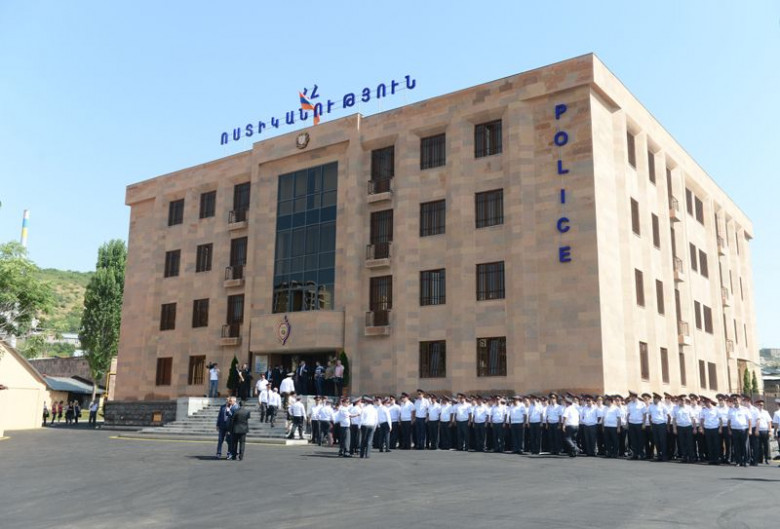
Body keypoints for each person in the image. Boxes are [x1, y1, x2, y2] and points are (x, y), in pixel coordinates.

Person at [728, 394, 752, 467]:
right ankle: (738, 461)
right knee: (736, 446)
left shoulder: (745, 409)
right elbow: (729, 421)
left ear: (740, 400)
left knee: (745, 446)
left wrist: (750, 429)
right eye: (734, 400)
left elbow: (749, 420)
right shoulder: (730, 410)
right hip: (734, 430)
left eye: (737, 399)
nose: (736, 401)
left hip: (743, 429)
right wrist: (729, 430)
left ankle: (746, 461)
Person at [647, 393, 670, 461]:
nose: (654, 400)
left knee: (663, 441)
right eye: (654, 398)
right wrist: (651, 425)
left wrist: (667, 426)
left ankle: (664, 456)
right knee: (656, 441)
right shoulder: (651, 406)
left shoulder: (663, 406)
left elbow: (669, 416)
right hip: (654, 424)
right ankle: (659, 455)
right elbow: (649, 416)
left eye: (656, 398)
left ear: (659, 399)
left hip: (661, 424)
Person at [754, 399, 772, 464]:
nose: (761, 406)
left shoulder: (766, 412)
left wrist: (770, 431)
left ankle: (767, 459)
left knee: (766, 446)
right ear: (757, 405)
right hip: (758, 430)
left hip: (765, 430)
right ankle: (760, 459)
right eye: (759, 405)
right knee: (758, 446)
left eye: (762, 405)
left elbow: (769, 422)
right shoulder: (755, 412)